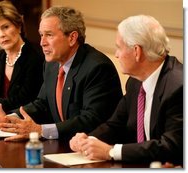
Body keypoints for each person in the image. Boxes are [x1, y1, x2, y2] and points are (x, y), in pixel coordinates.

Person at [0, 6, 123, 141]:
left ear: (72, 38)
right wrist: (8, 119)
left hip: (96, 150)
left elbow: (90, 120)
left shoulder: (97, 67)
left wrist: (41, 130)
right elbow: (42, 104)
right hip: (64, 145)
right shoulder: (51, 63)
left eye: (49, 35)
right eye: (41, 35)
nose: (42, 42)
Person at [69, 15, 183, 165]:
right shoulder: (134, 82)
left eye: (118, 47)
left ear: (137, 51)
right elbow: (115, 125)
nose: (116, 54)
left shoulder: (178, 86)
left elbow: (170, 146)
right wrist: (88, 140)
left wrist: (110, 151)